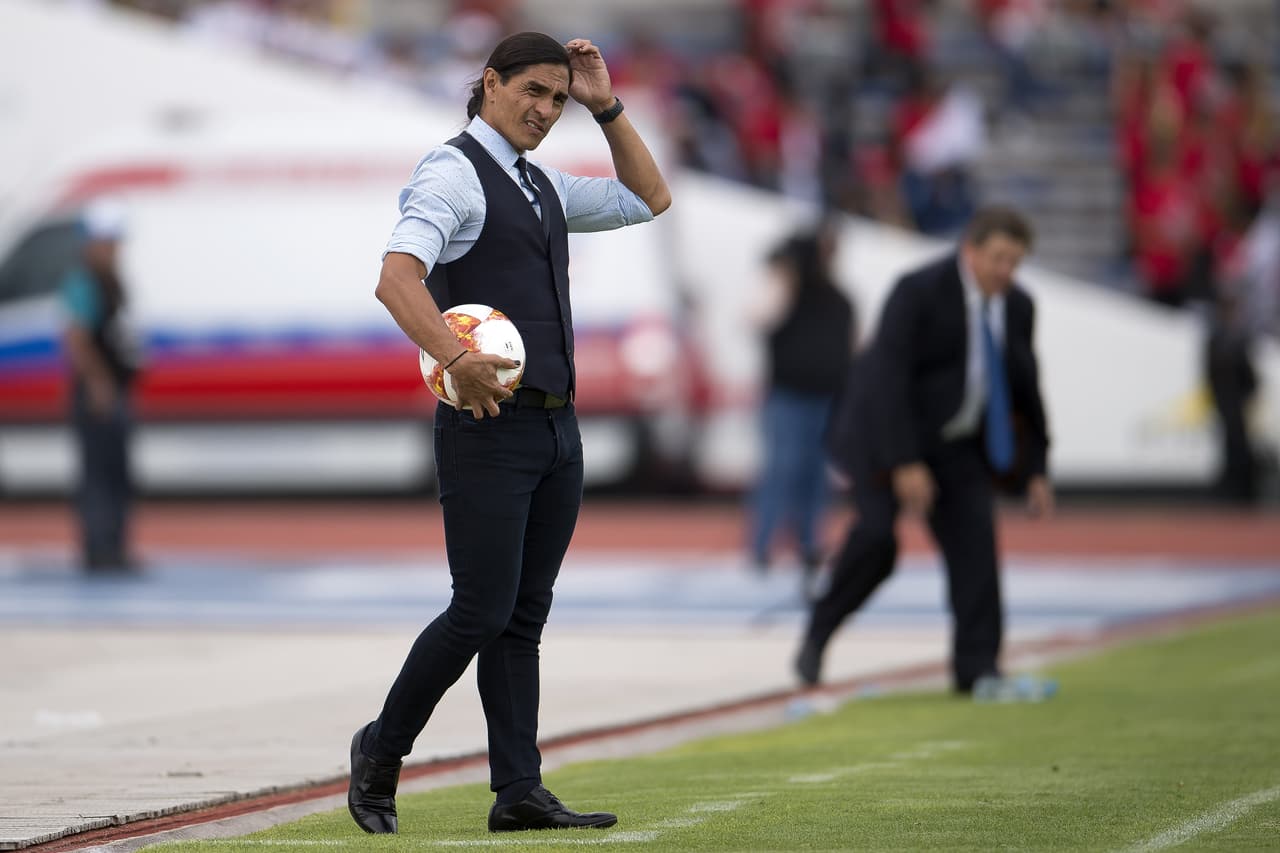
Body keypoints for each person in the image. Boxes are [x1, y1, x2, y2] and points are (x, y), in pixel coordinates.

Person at [347, 32, 670, 835]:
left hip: (558, 432)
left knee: (522, 615)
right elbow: (396, 277)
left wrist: (608, 106)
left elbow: (649, 196)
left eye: (558, 99)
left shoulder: (541, 183)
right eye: (533, 91)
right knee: (480, 610)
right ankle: (381, 753)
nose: (546, 111)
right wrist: (453, 356)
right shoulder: (453, 172)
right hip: (487, 429)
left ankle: (517, 789)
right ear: (488, 84)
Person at [796, 205, 1053, 695]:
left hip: (955, 444)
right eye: (999, 258)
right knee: (876, 541)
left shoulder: (1018, 307)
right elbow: (886, 381)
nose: (1006, 271)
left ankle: (978, 669)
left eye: (1015, 262)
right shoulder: (918, 292)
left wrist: (1036, 468)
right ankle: (819, 630)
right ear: (970, 251)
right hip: (881, 435)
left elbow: (1026, 390)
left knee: (975, 544)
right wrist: (904, 461)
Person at [748, 223, 855, 587]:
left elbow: (851, 349)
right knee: (783, 469)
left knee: (816, 476)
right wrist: (785, 280)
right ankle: (762, 545)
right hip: (789, 397)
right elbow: (757, 319)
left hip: (826, 397)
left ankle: (810, 545)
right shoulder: (787, 292)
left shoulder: (840, 299)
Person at [59, 200, 142, 574]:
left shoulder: (113, 280)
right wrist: (98, 384)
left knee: (118, 472)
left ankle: (115, 546)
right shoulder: (82, 281)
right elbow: (77, 338)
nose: (113, 249)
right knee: (98, 474)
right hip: (99, 395)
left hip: (117, 390)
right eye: (107, 241)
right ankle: (99, 550)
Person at [1204, 289, 1259, 504]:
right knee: (1227, 445)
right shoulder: (1215, 340)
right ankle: (1230, 489)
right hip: (1223, 401)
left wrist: (1245, 397)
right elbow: (1208, 373)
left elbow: (1250, 376)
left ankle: (1245, 490)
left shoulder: (1238, 339)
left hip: (1238, 402)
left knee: (1241, 445)